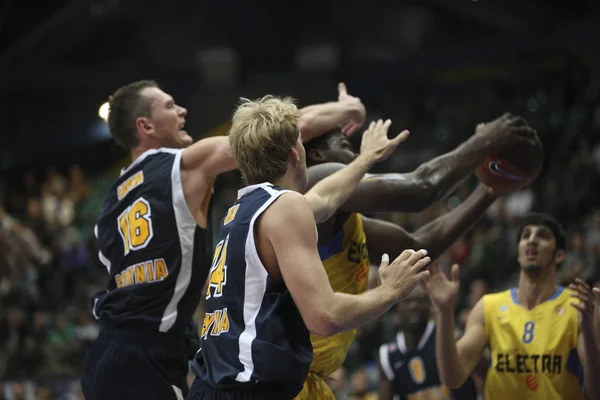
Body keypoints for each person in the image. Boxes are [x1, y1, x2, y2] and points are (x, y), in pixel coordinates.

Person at [294, 84, 539, 399]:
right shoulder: (318, 181)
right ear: (317, 155)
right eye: (345, 146)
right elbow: (420, 189)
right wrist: (485, 141)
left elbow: (418, 245)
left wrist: (488, 191)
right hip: (288, 379)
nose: (354, 154)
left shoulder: (346, 223)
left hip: (305, 378)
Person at [188, 95, 431, 400]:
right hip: (248, 391)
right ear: (295, 153)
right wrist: (390, 290)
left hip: (211, 385)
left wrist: (366, 157)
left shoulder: (241, 210)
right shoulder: (286, 207)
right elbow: (325, 317)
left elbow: (325, 199)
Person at [81, 80, 241, 400]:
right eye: (169, 105)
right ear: (145, 126)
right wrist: (341, 110)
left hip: (106, 354)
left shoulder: (110, 201)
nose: (182, 110)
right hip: (144, 355)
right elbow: (266, 140)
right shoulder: (179, 167)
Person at [422, 213, 600, 399]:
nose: (532, 240)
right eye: (526, 236)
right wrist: (444, 310)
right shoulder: (489, 307)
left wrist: (588, 333)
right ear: (518, 254)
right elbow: (452, 378)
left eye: (542, 236)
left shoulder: (578, 307)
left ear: (559, 255)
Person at [378, 284, 477, 400]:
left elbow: (481, 378)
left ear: (430, 306)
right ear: (396, 310)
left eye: (419, 300)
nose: (413, 306)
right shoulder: (387, 355)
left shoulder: (451, 338)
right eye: (407, 301)